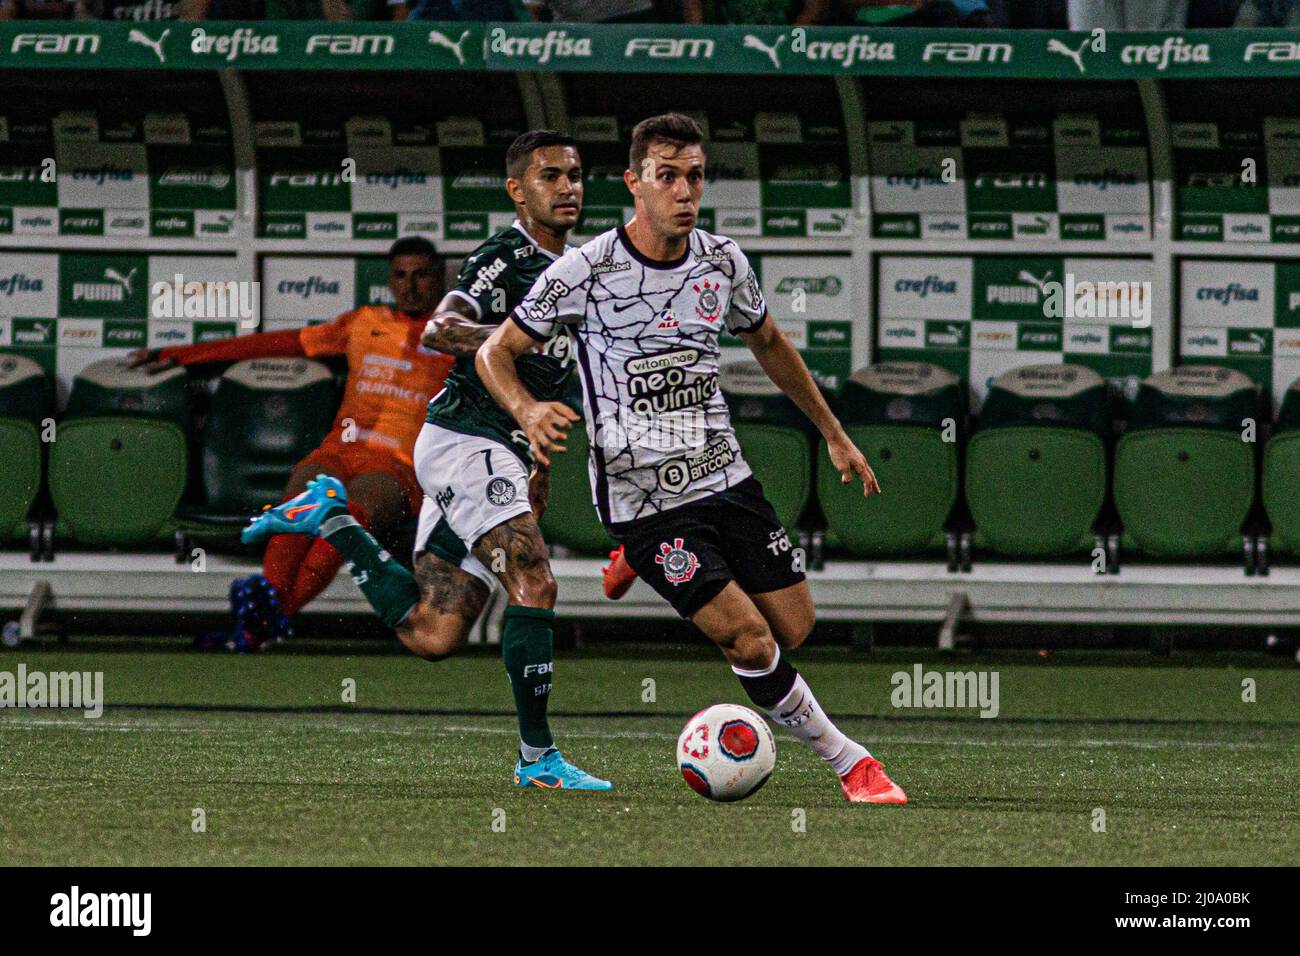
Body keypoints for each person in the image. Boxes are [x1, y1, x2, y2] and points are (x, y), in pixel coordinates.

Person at [476, 113, 907, 804]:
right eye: (667, 176)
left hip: (723, 475)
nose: (684, 191)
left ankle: (636, 565)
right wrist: (527, 411)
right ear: (634, 184)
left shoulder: (722, 260)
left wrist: (833, 431)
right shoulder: (585, 270)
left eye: (695, 177)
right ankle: (851, 762)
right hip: (643, 500)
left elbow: (767, 341)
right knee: (751, 640)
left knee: (796, 625)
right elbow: (493, 351)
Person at [243, 131, 612, 792]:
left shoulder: (582, 266)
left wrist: (539, 465)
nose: (567, 188)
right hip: (466, 441)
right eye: (550, 176)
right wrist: (515, 336)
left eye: (575, 175)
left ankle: (332, 522)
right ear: (517, 190)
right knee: (535, 582)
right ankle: (539, 760)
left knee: (432, 633)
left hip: (500, 450)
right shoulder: (505, 257)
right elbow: (442, 329)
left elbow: (554, 383)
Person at [130, 237, 454, 651]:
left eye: (421, 275)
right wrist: (179, 354)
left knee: (346, 517)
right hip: (339, 451)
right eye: (400, 275)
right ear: (389, 280)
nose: (409, 287)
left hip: (396, 464)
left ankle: (259, 624)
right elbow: (276, 343)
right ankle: (262, 623)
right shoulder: (364, 322)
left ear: (440, 276)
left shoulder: (458, 337)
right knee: (298, 507)